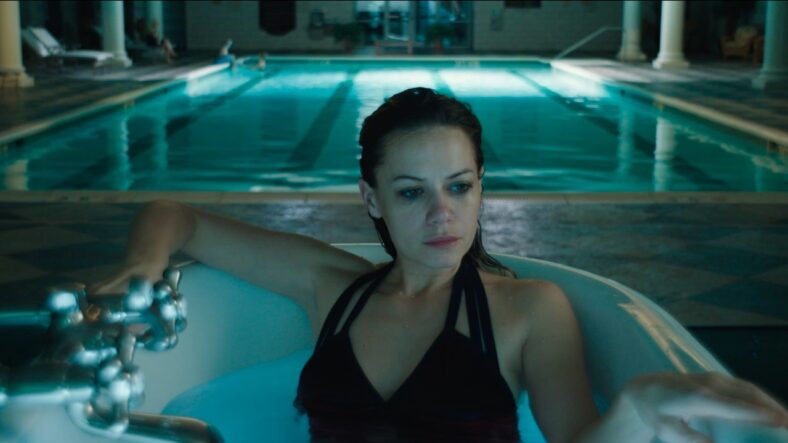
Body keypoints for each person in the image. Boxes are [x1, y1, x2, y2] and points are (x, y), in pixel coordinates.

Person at [91, 88, 787, 442]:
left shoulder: (527, 310)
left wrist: (639, 405)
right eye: (410, 193)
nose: (441, 215)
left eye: (459, 187)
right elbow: (175, 216)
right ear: (371, 198)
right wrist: (143, 268)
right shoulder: (334, 289)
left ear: (482, 187)